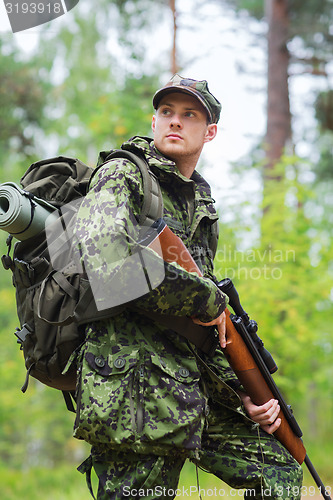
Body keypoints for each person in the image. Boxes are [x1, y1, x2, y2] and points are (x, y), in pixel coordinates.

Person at [73, 74, 303, 499]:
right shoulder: (124, 173)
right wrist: (203, 294)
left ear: (209, 131)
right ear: (155, 120)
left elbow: (201, 327)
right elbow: (104, 260)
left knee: (280, 471)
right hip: (133, 397)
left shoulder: (200, 202)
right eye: (167, 112)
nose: (175, 122)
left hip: (189, 393)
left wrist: (241, 397)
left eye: (189, 114)